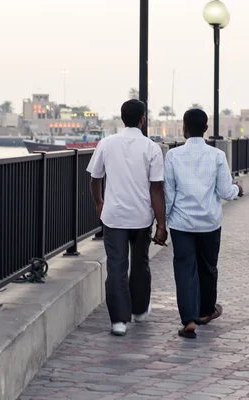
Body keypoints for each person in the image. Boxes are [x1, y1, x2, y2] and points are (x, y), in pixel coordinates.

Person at [86, 99, 167, 336]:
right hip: (142, 216)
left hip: (114, 217)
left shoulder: (106, 143)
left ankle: (118, 321)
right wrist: (161, 224)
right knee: (140, 263)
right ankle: (139, 311)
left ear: (123, 119)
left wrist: (99, 202)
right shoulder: (152, 148)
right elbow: (156, 189)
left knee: (116, 267)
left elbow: (95, 179)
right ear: (143, 120)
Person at [164, 108, 243, 339]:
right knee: (207, 268)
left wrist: (162, 224)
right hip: (209, 222)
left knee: (184, 270)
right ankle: (206, 311)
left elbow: (168, 193)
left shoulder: (173, 155)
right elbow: (226, 192)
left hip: (181, 223)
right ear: (206, 129)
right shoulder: (217, 156)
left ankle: (189, 320)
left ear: (184, 128)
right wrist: (238, 189)